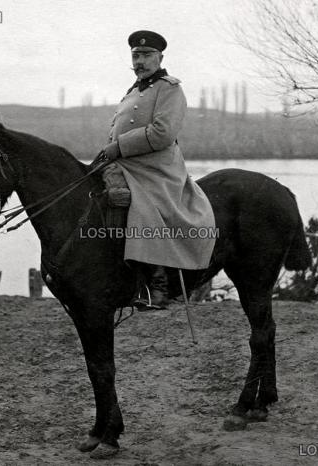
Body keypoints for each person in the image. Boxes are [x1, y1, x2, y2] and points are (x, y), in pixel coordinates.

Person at [98, 30, 216, 309]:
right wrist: (109, 153)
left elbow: (162, 133)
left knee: (142, 205)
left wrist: (119, 147)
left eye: (147, 55)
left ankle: (157, 285)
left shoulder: (170, 88)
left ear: (160, 57)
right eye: (136, 55)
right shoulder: (133, 91)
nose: (140, 60)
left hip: (156, 166)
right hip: (127, 161)